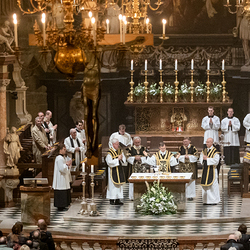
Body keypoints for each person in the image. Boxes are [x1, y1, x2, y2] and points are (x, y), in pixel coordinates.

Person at [199, 137, 220, 205]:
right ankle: (206, 200)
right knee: (205, 186)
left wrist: (207, 159)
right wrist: (203, 159)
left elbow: (216, 161)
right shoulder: (204, 150)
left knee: (213, 185)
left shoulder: (215, 151)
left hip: (212, 170)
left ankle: (213, 200)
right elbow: (201, 158)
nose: (206, 143)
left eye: (208, 142)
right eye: (206, 142)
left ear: (211, 143)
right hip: (205, 169)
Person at [106, 138, 126, 205]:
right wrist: (117, 159)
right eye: (117, 144)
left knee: (119, 185)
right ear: (113, 144)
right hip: (113, 170)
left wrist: (122, 158)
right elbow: (109, 162)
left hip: (119, 169)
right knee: (113, 186)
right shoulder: (110, 153)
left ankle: (118, 199)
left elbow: (124, 159)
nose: (118, 145)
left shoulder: (119, 151)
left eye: (118, 144)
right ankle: (112, 199)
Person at [52, 144, 71, 211]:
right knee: (61, 190)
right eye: (64, 149)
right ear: (60, 150)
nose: (65, 150)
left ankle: (64, 205)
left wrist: (67, 165)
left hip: (63, 177)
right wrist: (67, 165)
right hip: (60, 178)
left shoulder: (63, 157)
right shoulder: (59, 158)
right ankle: (60, 205)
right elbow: (61, 169)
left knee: (64, 190)